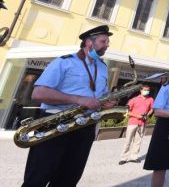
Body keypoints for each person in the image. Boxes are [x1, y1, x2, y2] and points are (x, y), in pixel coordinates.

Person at [22, 25, 116, 187]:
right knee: (37, 178)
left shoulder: (102, 67)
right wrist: (79, 99)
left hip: (85, 126)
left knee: (69, 179)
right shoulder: (64, 62)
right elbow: (38, 93)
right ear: (88, 42)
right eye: (103, 41)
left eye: (108, 42)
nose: (107, 45)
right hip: (55, 122)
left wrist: (105, 102)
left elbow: (99, 96)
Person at [119, 85, 154, 165]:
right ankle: (123, 158)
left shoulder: (150, 99)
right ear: (140, 90)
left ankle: (134, 157)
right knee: (128, 141)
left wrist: (147, 115)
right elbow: (127, 111)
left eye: (148, 90)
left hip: (142, 123)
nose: (146, 91)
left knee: (138, 141)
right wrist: (136, 115)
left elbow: (152, 109)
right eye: (145, 90)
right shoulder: (133, 100)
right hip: (133, 122)